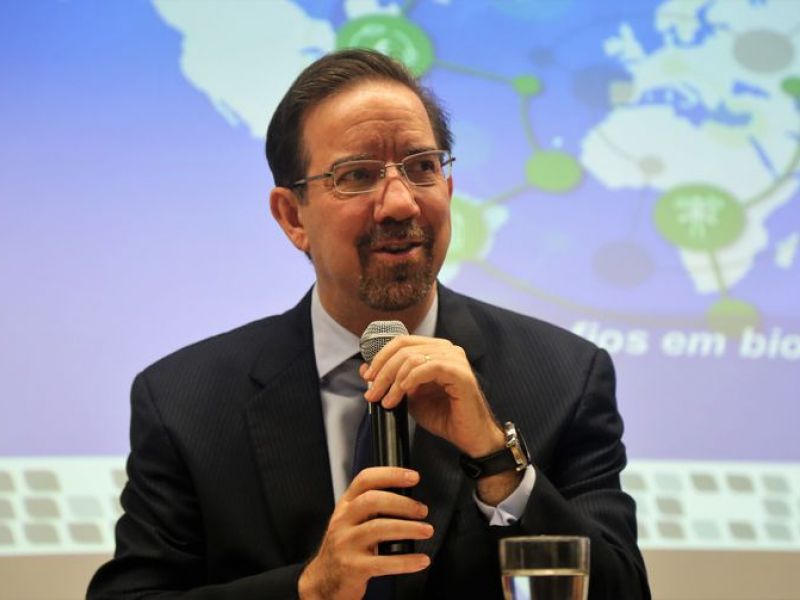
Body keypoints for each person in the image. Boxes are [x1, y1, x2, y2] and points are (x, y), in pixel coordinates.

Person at [88, 48, 650, 599]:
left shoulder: (564, 377)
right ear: (292, 216)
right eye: (357, 175)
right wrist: (309, 589)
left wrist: (498, 463)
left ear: (448, 188)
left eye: (422, 167)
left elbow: (623, 590)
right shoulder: (185, 403)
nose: (400, 203)